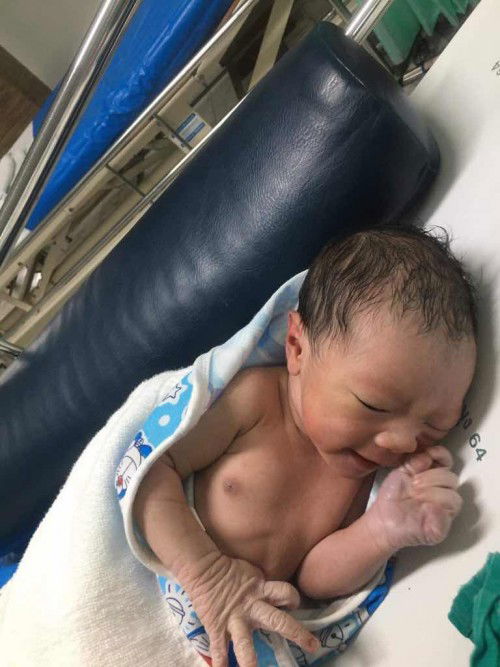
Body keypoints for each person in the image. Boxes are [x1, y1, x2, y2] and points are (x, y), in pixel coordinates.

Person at [134, 225, 477, 667]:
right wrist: (208, 575)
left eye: (434, 424)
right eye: (373, 405)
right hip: (166, 594)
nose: (402, 442)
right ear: (297, 349)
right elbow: (150, 474)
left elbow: (313, 581)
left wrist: (380, 530)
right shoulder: (254, 401)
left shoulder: (362, 471)